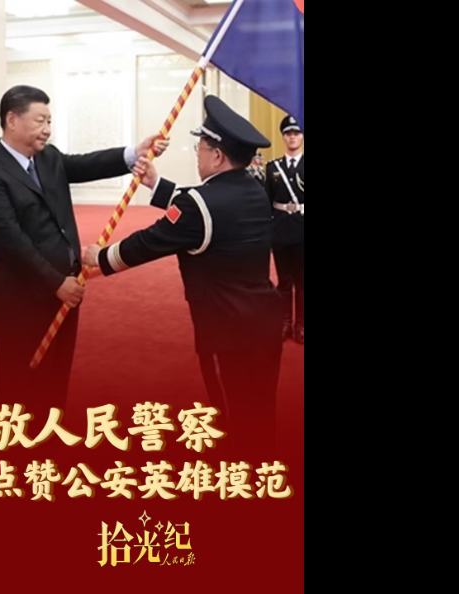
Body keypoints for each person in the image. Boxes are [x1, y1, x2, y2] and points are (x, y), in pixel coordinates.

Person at [82, 95, 281, 457]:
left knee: (232, 418)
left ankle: (242, 477)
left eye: (200, 147)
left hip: (227, 331)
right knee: (258, 409)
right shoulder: (253, 189)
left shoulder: (201, 205)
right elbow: (201, 206)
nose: (196, 154)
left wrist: (101, 257)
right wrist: (156, 183)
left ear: (217, 156)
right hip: (263, 322)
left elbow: (152, 240)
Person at [0, 85, 167, 423]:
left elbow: (86, 164)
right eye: (40, 120)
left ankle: (49, 439)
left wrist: (134, 152)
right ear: (12, 120)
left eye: (49, 121)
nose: (47, 129)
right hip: (22, 301)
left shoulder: (48, 158)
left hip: (66, 292)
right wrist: (55, 283)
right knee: (18, 385)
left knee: (54, 378)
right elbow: (11, 242)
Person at [266, 115, 304, 344]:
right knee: (284, 281)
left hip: (302, 230)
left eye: (296, 133)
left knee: (302, 281)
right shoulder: (273, 167)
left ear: (302, 137)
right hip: (280, 229)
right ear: (283, 137)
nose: (292, 137)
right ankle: (285, 322)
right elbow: (267, 201)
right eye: (288, 133)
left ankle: (301, 325)